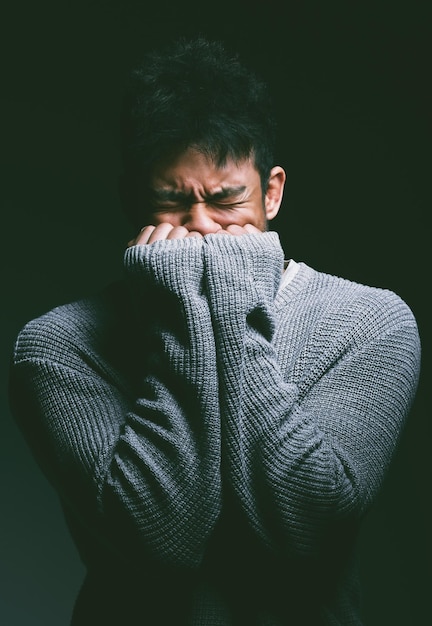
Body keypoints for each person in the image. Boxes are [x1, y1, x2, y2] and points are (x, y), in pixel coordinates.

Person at [8, 36, 421, 625]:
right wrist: (180, 317)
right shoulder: (56, 348)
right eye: (171, 202)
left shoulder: (371, 323)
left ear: (271, 192)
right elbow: (162, 538)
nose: (201, 228)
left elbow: (305, 529)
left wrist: (232, 310)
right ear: (133, 198)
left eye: (226, 201)